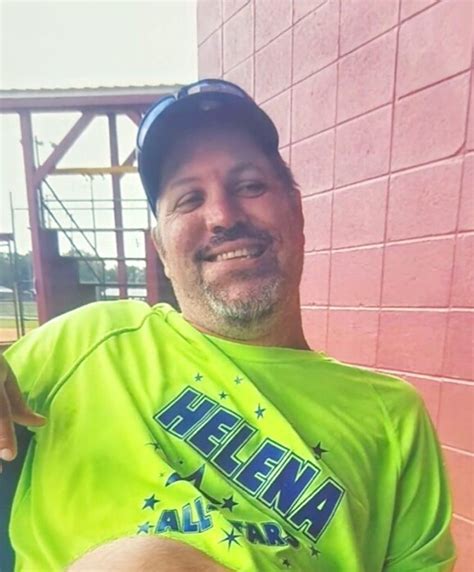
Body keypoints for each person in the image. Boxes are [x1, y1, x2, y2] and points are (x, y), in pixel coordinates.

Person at [0, 79, 455, 571]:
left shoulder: (391, 418)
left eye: (250, 186)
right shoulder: (86, 341)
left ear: (296, 212)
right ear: (160, 248)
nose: (221, 215)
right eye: (188, 199)